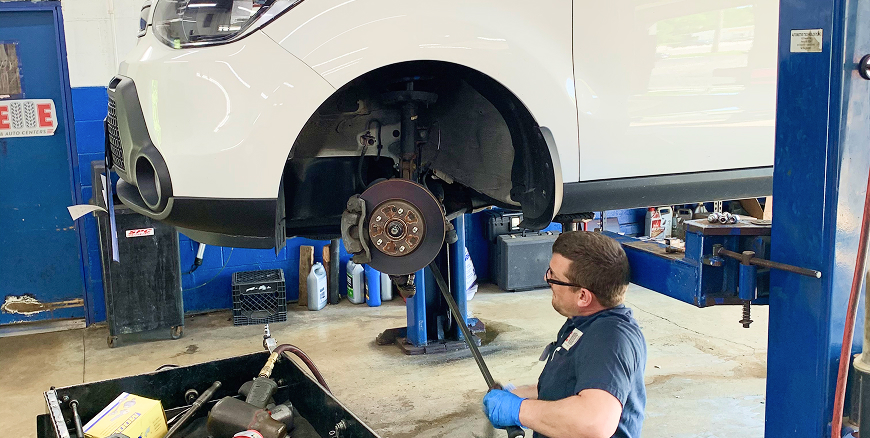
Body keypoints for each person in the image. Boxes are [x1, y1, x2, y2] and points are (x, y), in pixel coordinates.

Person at [482, 231, 647, 438]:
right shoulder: (584, 322)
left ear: (583, 296)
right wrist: (515, 395)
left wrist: (519, 410)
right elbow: (569, 388)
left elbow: (594, 423)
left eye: (554, 277)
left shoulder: (610, 340)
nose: (546, 278)